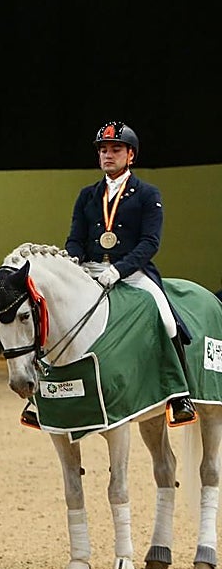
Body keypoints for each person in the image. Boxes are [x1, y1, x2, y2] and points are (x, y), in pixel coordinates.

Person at [62, 120, 195, 428]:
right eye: (103, 150)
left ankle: (180, 395)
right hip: (90, 268)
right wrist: (73, 261)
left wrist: (119, 271)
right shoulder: (87, 195)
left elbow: (151, 242)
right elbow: (75, 237)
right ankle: (39, 395)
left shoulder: (147, 193)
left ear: (130, 155)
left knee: (165, 317)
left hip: (132, 271)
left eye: (116, 149)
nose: (108, 155)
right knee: (55, 311)